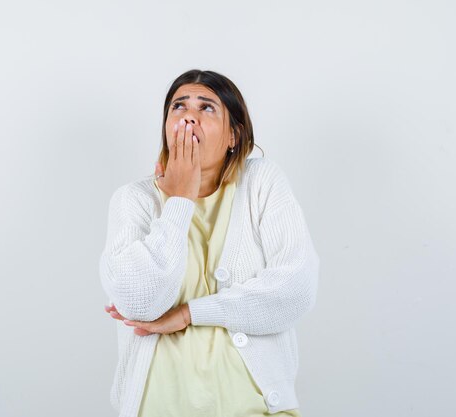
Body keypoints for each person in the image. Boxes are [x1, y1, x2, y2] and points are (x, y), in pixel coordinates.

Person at [99, 69, 320, 417]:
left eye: (207, 108)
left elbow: (296, 290)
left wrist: (190, 313)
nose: (189, 115)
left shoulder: (262, 183)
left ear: (234, 135)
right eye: (179, 106)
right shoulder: (133, 199)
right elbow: (138, 302)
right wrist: (180, 200)